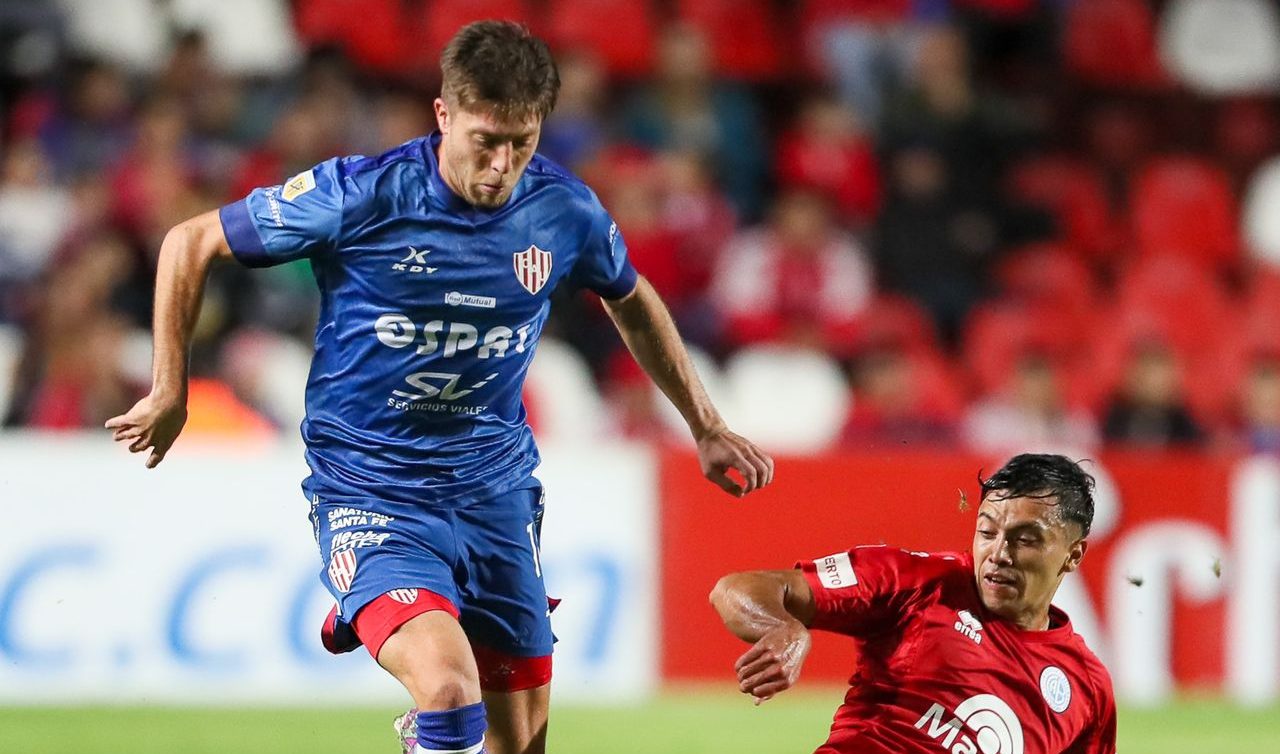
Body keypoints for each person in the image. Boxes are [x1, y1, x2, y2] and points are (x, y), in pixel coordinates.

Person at [106, 21, 774, 754]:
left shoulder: (563, 210)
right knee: (451, 694)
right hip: (372, 492)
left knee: (518, 743)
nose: (501, 165)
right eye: (485, 140)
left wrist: (704, 424)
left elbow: (631, 297)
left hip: (495, 494)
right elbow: (190, 241)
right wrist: (170, 390)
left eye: (521, 143)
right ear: (444, 115)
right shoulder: (362, 194)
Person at [711, 453, 1115, 754]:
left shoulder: (1088, 689)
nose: (998, 554)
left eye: (1025, 539)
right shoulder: (920, 582)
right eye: (987, 531)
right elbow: (737, 588)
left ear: (1073, 554)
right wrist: (782, 628)